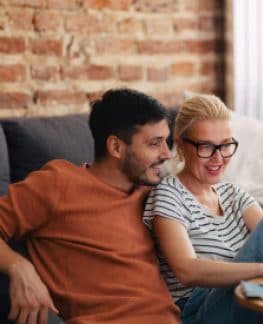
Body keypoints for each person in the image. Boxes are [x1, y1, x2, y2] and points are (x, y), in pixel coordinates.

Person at [0, 89, 181, 324]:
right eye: (154, 144)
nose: (167, 154)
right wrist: (18, 266)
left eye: (166, 141)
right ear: (116, 147)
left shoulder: (154, 196)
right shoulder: (58, 183)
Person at [143, 94, 263, 324]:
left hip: (248, 299)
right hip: (199, 311)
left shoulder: (233, 194)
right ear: (180, 145)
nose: (218, 158)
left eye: (226, 145)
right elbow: (186, 270)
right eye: (206, 147)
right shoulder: (168, 194)